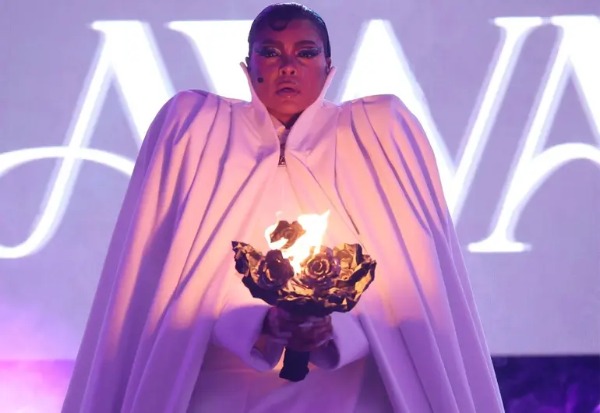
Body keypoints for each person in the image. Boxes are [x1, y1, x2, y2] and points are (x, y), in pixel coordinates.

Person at [62, 3, 505, 412]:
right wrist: (261, 324)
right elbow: (171, 289)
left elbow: (408, 299)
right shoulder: (199, 135)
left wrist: (332, 327)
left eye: (305, 53)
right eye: (271, 52)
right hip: (220, 389)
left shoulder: (375, 138)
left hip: (348, 391)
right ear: (248, 65)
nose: (288, 66)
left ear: (328, 66)